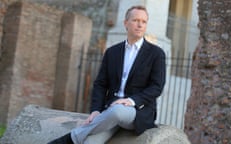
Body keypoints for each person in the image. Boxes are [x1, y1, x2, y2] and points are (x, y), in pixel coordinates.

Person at [48, 5, 166, 144]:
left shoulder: (156, 53)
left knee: (117, 111)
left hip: (137, 112)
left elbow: (157, 87)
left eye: (144, 22)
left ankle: (69, 139)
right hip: (109, 112)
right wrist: (96, 110)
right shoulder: (112, 52)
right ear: (125, 23)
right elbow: (100, 84)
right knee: (90, 142)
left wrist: (131, 101)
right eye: (135, 20)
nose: (140, 25)